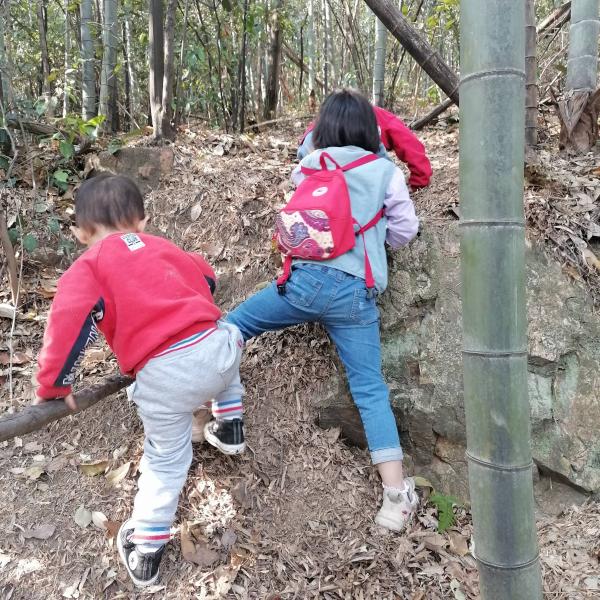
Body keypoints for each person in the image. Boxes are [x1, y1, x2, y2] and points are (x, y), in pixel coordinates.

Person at [33, 174, 245, 587]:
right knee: (226, 335)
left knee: (167, 462)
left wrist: (55, 385)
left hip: (166, 374)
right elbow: (207, 278)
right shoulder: (163, 246)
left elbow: (68, 325)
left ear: (80, 233)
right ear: (143, 221)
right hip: (220, 351)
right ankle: (231, 422)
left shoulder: (88, 266)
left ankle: (146, 549)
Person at [228, 89, 420, 532]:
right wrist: (379, 240)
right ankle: (395, 500)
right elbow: (406, 230)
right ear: (371, 130)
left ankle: (219, 410)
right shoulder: (385, 172)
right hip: (355, 296)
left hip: (302, 285)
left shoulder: (310, 166)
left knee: (233, 324)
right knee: (369, 389)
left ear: (323, 129)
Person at [297, 103, 432, 190]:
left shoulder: (341, 111)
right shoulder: (384, 119)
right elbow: (412, 146)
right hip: (329, 140)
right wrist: (419, 181)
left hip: (309, 143)